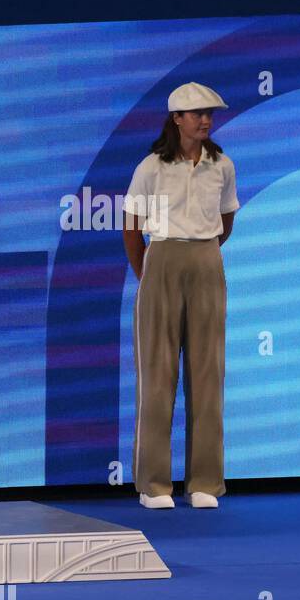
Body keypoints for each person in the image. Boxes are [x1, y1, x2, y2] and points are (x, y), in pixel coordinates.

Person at [122, 82, 238, 510]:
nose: (205, 119)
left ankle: (205, 482)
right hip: (163, 260)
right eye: (196, 113)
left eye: (209, 112)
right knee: (158, 375)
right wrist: (149, 274)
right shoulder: (152, 167)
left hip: (206, 259)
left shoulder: (222, 165)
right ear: (176, 120)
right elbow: (133, 228)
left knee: (209, 373)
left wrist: (202, 254)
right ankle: (153, 484)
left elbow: (226, 222)